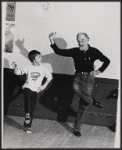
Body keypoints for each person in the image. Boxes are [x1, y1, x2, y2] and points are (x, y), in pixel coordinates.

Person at [49, 32, 110, 137]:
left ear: (87, 39)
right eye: (78, 40)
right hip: (78, 77)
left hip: (89, 79)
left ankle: (77, 128)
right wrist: (51, 40)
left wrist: (98, 71)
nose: (80, 42)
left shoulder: (94, 51)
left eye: (82, 40)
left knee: (83, 105)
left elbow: (106, 61)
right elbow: (59, 51)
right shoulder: (74, 51)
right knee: (74, 87)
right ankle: (92, 100)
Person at [11, 50, 52, 133]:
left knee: (32, 109)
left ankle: (28, 126)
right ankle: (27, 115)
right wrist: (15, 68)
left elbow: (50, 77)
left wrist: (43, 86)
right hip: (27, 87)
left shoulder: (43, 69)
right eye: (39, 57)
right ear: (33, 59)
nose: (41, 58)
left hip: (35, 90)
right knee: (27, 98)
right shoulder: (29, 67)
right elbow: (19, 72)